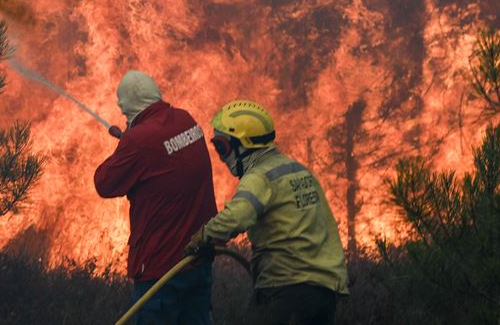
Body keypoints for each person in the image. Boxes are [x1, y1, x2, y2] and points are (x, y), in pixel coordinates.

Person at [185, 100, 349, 325]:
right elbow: (328, 226)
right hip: (324, 291)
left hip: (286, 288)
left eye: (221, 147)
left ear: (242, 144)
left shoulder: (259, 177)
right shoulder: (299, 172)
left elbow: (236, 217)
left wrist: (202, 238)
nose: (222, 157)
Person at [95, 70, 217, 325]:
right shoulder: (185, 120)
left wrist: (126, 143)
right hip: (197, 260)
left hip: (160, 268)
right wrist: (132, 140)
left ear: (127, 105)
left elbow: (105, 184)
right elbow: (163, 162)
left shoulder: (138, 141)